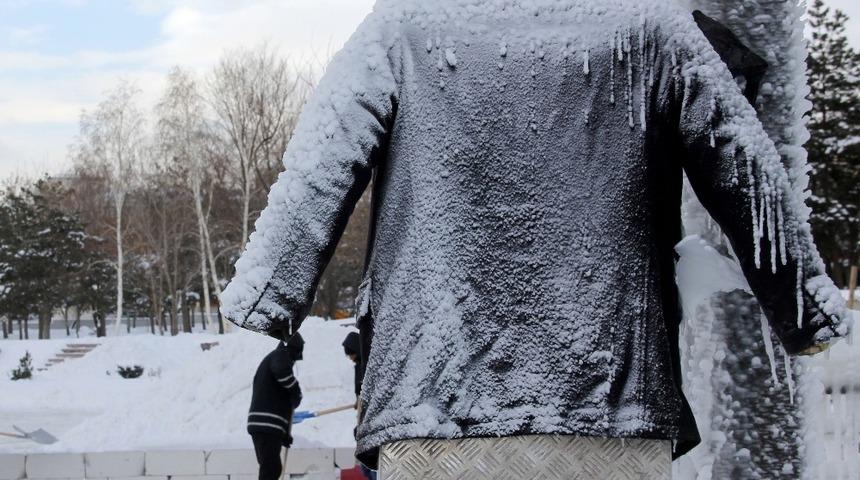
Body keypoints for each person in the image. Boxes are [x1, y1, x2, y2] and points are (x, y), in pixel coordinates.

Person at [221, 0, 852, 478]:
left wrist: (271, 303)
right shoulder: (653, 30)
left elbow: (314, 178)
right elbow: (747, 176)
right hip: (613, 409)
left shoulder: (402, 28)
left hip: (433, 407)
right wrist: (805, 311)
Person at [248, 333, 304, 480]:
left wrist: (285, 434)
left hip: (266, 425)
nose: (293, 362)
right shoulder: (280, 355)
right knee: (270, 469)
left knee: (272, 468)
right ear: (292, 350)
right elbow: (281, 371)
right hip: (266, 424)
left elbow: (284, 406)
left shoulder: (277, 358)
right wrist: (295, 389)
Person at [343, 331, 377, 480]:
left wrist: (363, 400)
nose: (350, 357)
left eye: (350, 354)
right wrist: (358, 400)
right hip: (363, 411)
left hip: (371, 414)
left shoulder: (368, 364)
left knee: (365, 440)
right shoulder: (358, 365)